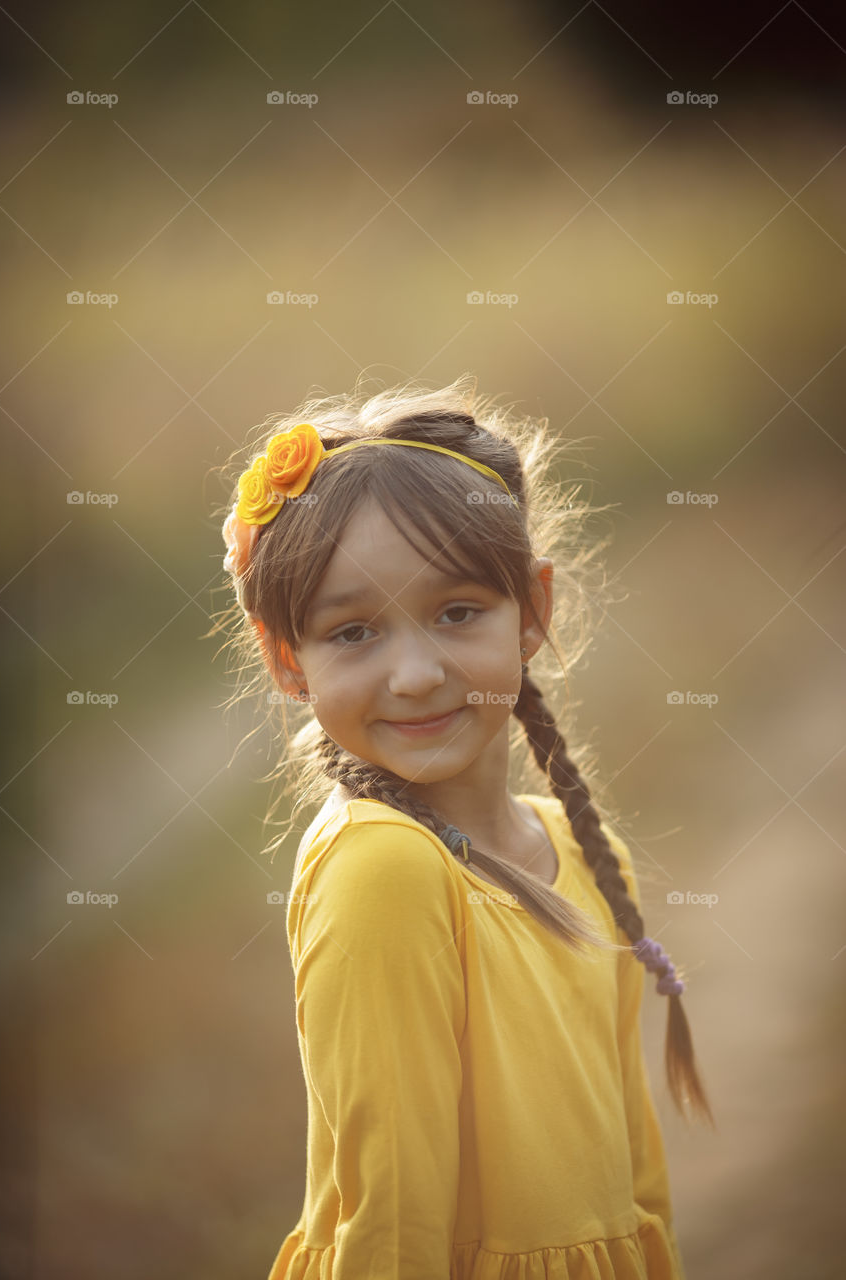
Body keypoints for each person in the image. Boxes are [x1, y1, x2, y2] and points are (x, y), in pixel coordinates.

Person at [215, 375, 714, 1279]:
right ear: (287, 660)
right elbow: (391, 1227)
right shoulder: (385, 871)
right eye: (353, 632)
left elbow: (636, 1187)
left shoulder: (579, 849)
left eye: (456, 613)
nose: (414, 675)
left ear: (532, 611)